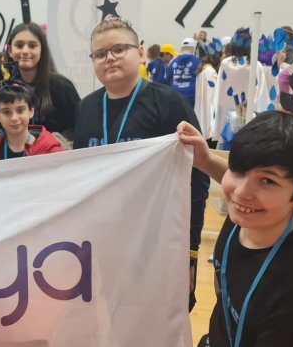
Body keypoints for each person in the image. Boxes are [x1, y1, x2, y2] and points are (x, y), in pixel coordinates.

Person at [73, 17, 210, 311]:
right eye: (100, 53)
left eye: (119, 49)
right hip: (106, 242)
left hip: (159, 242)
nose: (110, 58)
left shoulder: (168, 103)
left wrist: (190, 250)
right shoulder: (87, 107)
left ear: (140, 53)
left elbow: (197, 175)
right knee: (114, 316)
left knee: (162, 320)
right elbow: (79, 179)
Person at [178, 111, 293, 347]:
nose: (240, 192)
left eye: (267, 181)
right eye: (237, 169)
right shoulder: (247, 217)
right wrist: (205, 161)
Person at [5, 22, 80, 139]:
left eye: (32, 46)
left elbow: (80, 127)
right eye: (19, 45)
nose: (25, 51)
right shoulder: (5, 88)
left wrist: (56, 141)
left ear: (42, 50)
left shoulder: (62, 86)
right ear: (10, 50)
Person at [0, 80, 63, 161]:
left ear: (31, 111)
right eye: (6, 112)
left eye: (20, 110)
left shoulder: (50, 150)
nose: (14, 118)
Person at [194, 41, 223, 149]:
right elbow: (214, 99)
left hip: (202, 119)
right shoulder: (210, 72)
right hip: (209, 120)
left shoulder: (203, 70)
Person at [169, 38, 202, 104]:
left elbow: (168, 79)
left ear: (181, 49)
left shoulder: (173, 62)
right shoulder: (198, 62)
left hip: (175, 96)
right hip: (191, 98)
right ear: (193, 49)